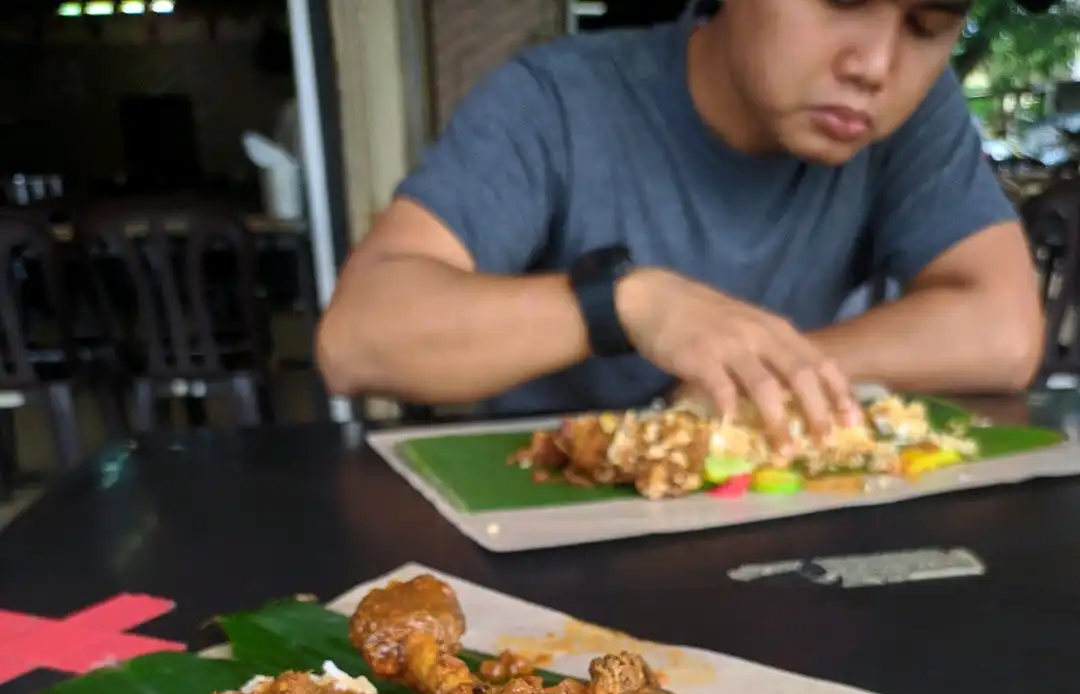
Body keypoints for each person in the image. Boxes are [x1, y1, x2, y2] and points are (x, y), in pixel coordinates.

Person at [317, 0, 1044, 444]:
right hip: (545, 537)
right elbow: (358, 339)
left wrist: (749, 374)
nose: (876, 65)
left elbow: (1004, 331)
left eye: (928, 25)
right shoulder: (554, 99)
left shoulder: (912, 116)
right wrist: (633, 303)